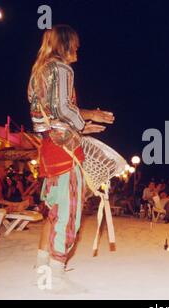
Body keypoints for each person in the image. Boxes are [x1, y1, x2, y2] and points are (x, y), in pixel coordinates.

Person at [28, 25, 114, 293]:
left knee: (53, 212)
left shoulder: (38, 72)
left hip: (50, 148)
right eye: (74, 44)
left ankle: (43, 271)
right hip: (65, 152)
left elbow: (44, 119)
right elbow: (64, 108)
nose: (77, 49)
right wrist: (89, 115)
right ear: (64, 44)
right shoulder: (62, 69)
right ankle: (56, 275)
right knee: (68, 213)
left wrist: (81, 127)